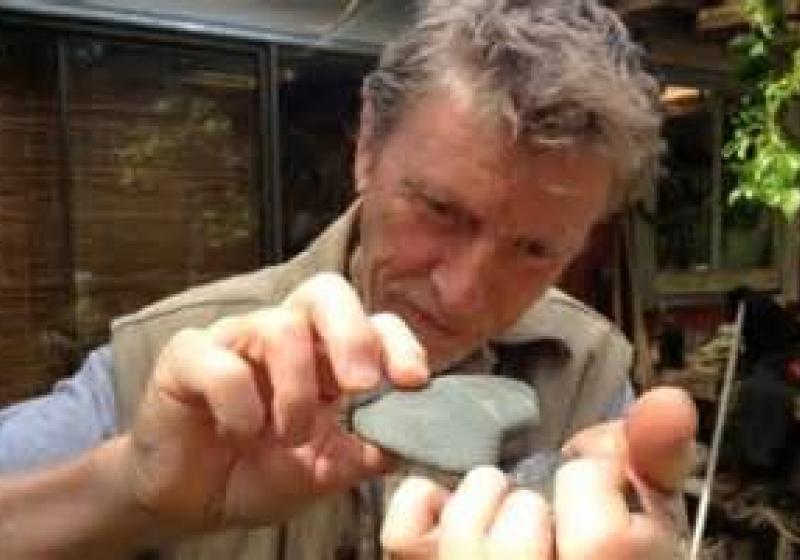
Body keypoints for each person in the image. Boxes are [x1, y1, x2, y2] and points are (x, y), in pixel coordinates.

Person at [0, 0, 696, 558]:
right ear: (367, 144)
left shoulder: (591, 372)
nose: (462, 293)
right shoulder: (175, 362)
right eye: (440, 211)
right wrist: (129, 487)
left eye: (535, 249)